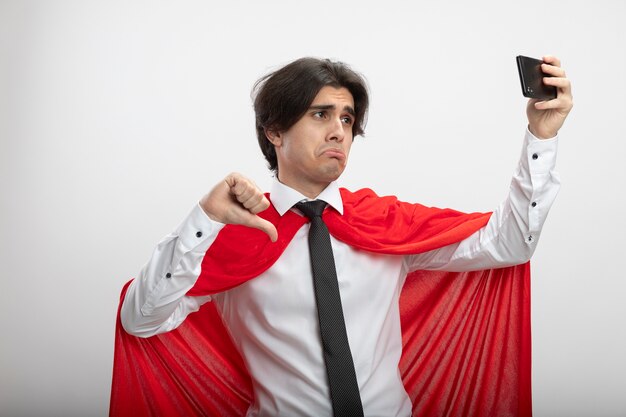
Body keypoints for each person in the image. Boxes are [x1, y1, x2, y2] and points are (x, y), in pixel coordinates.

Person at [114, 56, 573, 417]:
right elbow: (141, 319)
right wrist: (205, 219)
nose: (338, 131)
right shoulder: (229, 237)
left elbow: (510, 244)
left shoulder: (383, 222)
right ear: (274, 131)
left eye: (348, 120)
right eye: (321, 114)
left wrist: (540, 137)